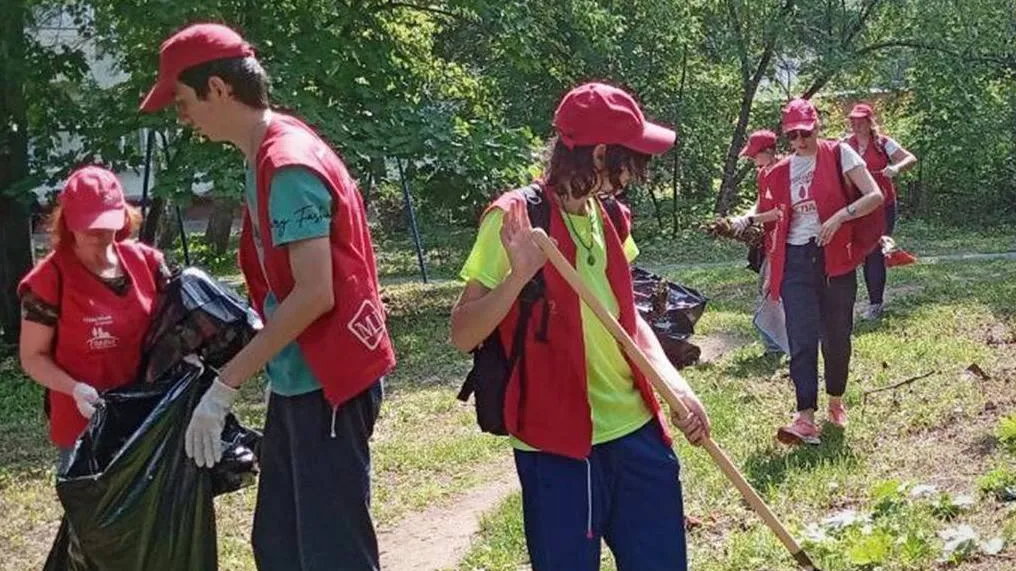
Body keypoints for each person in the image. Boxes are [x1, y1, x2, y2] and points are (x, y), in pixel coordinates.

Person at [140, 23, 395, 570]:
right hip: (299, 379)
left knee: (332, 553)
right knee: (279, 543)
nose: (181, 117)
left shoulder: (287, 163)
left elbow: (314, 294)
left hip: (328, 381)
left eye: (183, 102)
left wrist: (226, 384)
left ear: (218, 89)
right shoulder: (267, 153)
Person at [449, 82, 711, 571]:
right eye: (630, 158)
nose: (636, 172)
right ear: (600, 155)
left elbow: (626, 321)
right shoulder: (515, 219)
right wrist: (519, 274)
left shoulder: (609, 215)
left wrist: (677, 388)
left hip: (634, 433)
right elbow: (463, 332)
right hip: (557, 447)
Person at [18, 166, 171, 472]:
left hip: (148, 413)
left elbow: (176, 325)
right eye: (88, 226)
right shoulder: (50, 279)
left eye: (106, 225)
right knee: (92, 517)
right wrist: (75, 389)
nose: (98, 234)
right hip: (83, 425)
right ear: (68, 222)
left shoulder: (148, 263)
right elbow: (33, 357)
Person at [764, 98, 884, 445]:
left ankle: (835, 399)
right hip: (796, 259)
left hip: (834, 257)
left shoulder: (839, 155)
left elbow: (874, 195)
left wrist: (839, 217)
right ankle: (804, 417)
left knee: (836, 337)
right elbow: (776, 214)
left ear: (817, 127)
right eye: (793, 136)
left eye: (806, 133)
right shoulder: (782, 169)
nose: (800, 142)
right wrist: (746, 222)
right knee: (802, 337)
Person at [844, 103, 918, 319]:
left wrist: (895, 168)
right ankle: (845, 305)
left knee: (874, 253)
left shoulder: (883, 143)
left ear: (870, 122)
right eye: (853, 122)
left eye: (861, 121)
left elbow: (910, 158)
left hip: (883, 206)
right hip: (856, 207)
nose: (857, 126)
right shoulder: (846, 145)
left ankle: (875, 304)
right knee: (855, 254)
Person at [728, 130, 787, 355]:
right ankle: (775, 341)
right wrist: (745, 217)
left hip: (786, 239)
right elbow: (762, 203)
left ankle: (777, 345)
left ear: (770, 151)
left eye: (755, 155)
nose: (753, 160)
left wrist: (752, 219)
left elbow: (781, 212)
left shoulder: (784, 172)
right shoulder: (762, 172)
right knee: (766, 285)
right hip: (770, 240)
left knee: (772, 288)